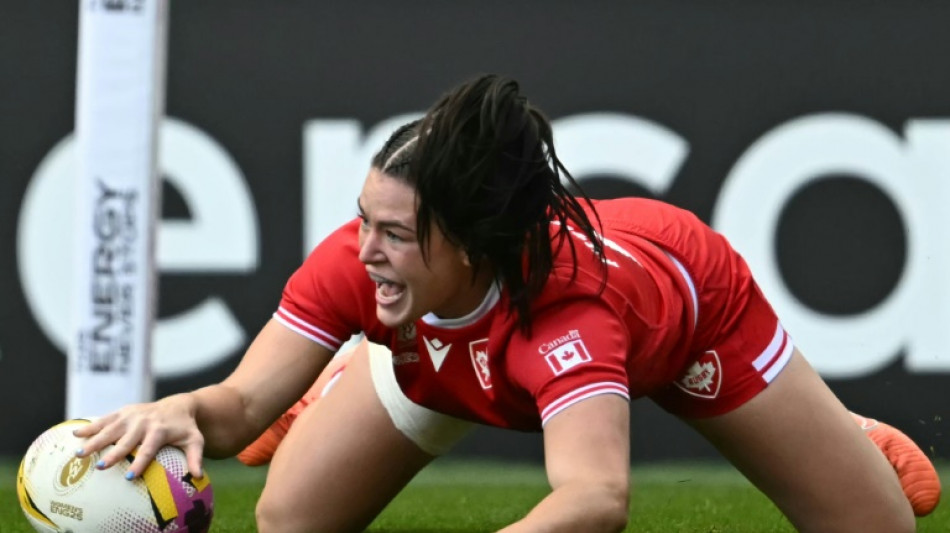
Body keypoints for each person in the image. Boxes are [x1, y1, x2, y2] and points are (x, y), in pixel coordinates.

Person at [75, 74, 940, 532]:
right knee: (290, 517)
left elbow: (595, 496)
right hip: (448, 355)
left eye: (397, 232)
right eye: (361, 219)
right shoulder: (364, 264)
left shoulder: (572, 318)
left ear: (470, 241)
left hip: (685, 327)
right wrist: (183, 408)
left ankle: (837, 428)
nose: (364, 248)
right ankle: (346, 371)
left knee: (876, 527)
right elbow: (236, 412)